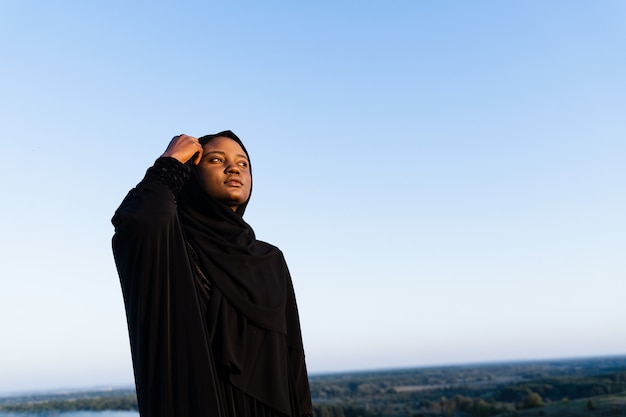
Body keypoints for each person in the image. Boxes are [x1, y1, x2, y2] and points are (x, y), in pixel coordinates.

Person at [111, 131, 313, 417]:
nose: (234, 168)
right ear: (191, 174)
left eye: (243, 164)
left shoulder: (270, 260)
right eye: (217, 160)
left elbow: (293, 357)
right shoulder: (173, 248)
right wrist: (169, 163)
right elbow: (138, 221)